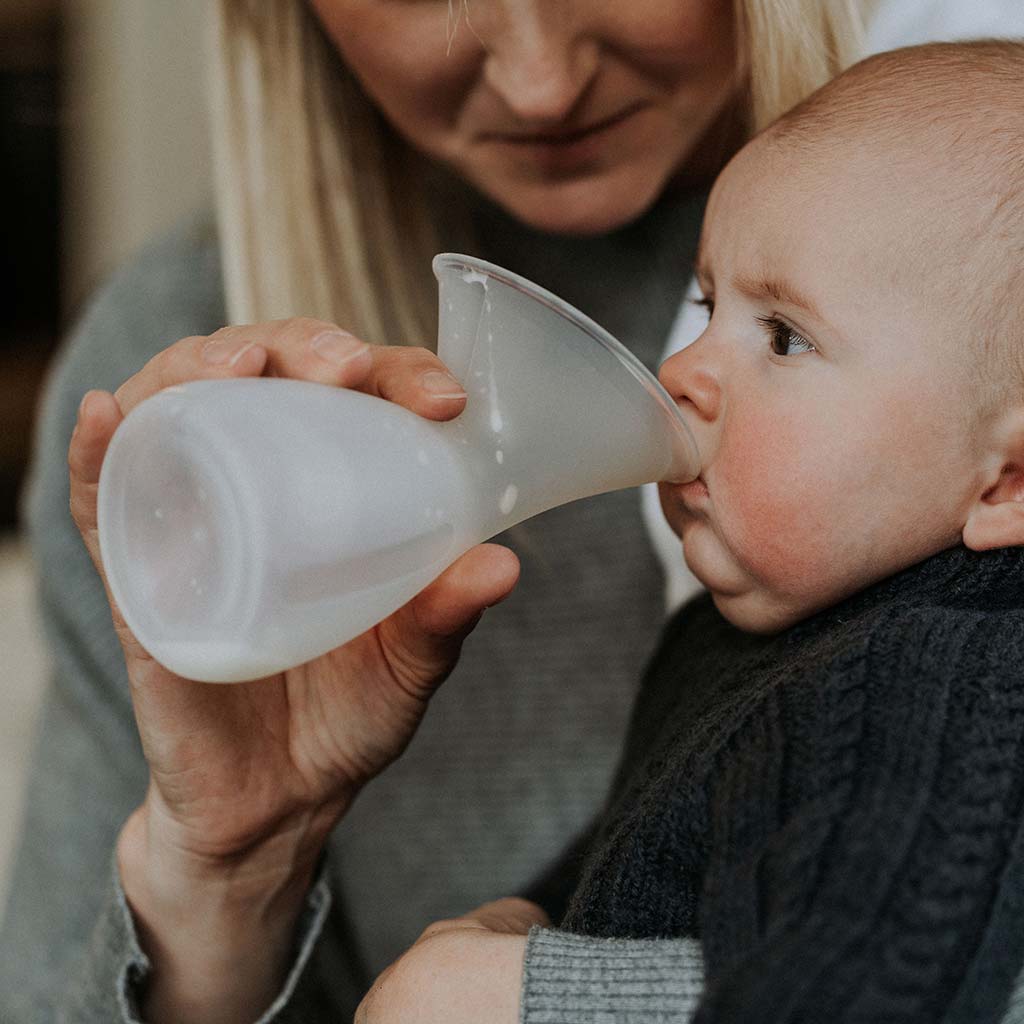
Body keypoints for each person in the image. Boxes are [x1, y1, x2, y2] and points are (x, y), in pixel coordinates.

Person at [0, 2, 875, 1022]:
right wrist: (227, 876)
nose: (541, 81)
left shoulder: (974, 270)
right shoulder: (181, 392)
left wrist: (567, 1003)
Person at [354, 39, 1024, 1023]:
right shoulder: (744, 644)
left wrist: (522, 999)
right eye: (708, 306)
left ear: (1006, 481)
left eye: (784, 337)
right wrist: (528, 910)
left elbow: (865, 1000)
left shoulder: (941, 678)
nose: (681, 369)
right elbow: (663, 855)